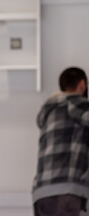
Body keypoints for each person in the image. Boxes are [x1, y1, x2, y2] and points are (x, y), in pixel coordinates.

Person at [32, 67, 89, 216]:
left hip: (41, 193)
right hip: (67, 193)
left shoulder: (49, 111)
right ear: (82, 84)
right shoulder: (79, 105)